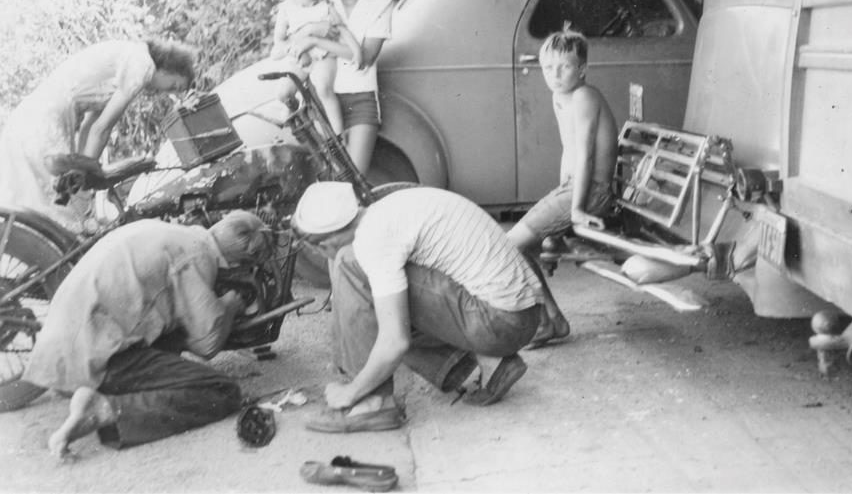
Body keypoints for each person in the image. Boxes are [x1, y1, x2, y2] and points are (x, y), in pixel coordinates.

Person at [0, 211, 271, 458]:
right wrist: (230, 305)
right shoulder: (198, 255)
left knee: (171, 333)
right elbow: (207, 343)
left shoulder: (169, 230)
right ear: (241, 260)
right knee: (221, 390)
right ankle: (104, 408)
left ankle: (91, 388)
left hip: (63, 349)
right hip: (97, 355)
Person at [292, 182, 544, 433]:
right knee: (381, 290)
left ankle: (373, 403)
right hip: (515, 316)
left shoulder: (372, 241)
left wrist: (351, 391)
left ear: (325, 243)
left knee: (352, 268)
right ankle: (482, 363)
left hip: (500, 322)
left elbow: (395, 341)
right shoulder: (384, 210)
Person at [0, 39, 195, 233]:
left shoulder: (128, 55)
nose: (165, 92)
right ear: (170, 68)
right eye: (173, 86)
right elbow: (102, 129)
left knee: (32, 202)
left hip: (32, 113)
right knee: (54, 209)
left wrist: (81, 173)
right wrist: (85, 178)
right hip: (48, 120)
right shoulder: (143, 65)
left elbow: (89, 127)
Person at [507, 26, 619, 347]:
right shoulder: (561, 96)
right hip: (573, 189)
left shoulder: (583, 96)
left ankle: (548, 321)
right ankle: (551, 320)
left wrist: (577, 211)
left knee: (509, 245)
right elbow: (568, 152)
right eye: (547, 68)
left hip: (591, 192)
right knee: (519, 245)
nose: (554, 75)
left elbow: (584, 156)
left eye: (565, 66)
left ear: (582, 69)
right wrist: (558, 216)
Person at [322, 0, 396, 174]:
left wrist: (317, 40)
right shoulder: (322, 3)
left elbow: (365, 58)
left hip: (361, 99)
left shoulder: (380, 4)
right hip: (323, 100)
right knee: (329, 178)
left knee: (356, 180)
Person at [271, 0, 362, 135]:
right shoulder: (287, 9)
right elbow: (277, 46)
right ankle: (297, 110)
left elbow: (343, 30)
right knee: (282, 93)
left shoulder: (326, 7)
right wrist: (296, 46)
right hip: (299, 58)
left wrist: (357, 51)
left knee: (323, 87)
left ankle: (338, 135)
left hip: (323, 56)